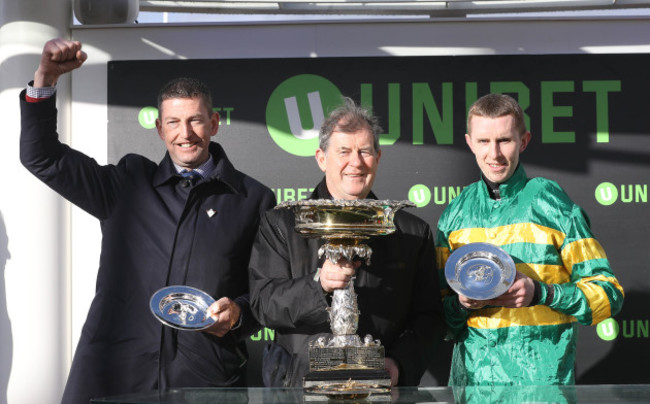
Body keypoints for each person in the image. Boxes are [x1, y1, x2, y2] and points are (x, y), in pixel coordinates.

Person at [19, 38, 276, 404]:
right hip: (116, 376)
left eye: (195, 121)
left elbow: (267, 295)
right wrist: (45, 80)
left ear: (214, 123)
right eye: (173, 122)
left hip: (203, 379)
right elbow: (41, 157)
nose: (185, 134)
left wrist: (237, 315)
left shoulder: (253, 199)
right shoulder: (126, 184)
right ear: (159, 128)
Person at [248, 97, 445, 388]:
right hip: (299, 390)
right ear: (321, 157)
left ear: (378, 158)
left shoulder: (411, 233)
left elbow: (429, 317)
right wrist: (318, 285)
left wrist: (399, 364)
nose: (356, 162)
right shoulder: (282, 225)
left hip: (380, 390)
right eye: (344, 151)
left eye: (365, 151)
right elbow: (264, 304)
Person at [436, 93, 624, 387]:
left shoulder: (552, 203)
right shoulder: (455, 214)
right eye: (484, 141)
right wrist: (461, 304)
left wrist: (542, 293)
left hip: (541, 390)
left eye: (504, 141)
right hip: (474, 392)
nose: (494, 154)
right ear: (470, 142)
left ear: (523, 141)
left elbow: (608, 295)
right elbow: (437, 318)